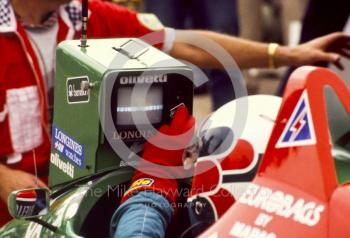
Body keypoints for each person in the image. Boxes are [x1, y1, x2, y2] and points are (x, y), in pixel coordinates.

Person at [0, 0, 350, 228]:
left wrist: (287, 54)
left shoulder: (93, 15)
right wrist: (3, 178)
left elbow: (185, 44)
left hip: (90, 200)